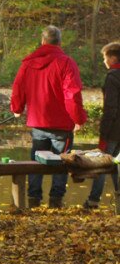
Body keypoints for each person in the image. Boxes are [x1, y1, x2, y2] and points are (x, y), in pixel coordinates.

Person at [10, 25, 87, 208]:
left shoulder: (28, 63)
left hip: (38, 123)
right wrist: (78, 118)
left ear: (42, 42)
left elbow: (18, 88)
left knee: (37, 160)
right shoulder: (66, 63)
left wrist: (17, 108)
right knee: (61, 162)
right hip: (62, 124)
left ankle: (33, 199)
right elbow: (72, 94)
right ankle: (55, 201)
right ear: (59, 42)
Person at [84, 42, 120, 210]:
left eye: (105, 58)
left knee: (102, 163)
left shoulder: (112, 76)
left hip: (113, 129)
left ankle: (93, 200)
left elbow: (110, 107)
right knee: (117, 165)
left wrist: (103, 133)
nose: (104, 61)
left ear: (113, 58)